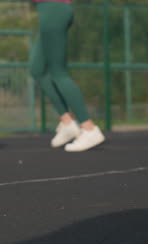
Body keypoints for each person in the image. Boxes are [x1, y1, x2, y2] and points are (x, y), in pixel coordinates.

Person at [29, 0, 105, 152]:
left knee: (58, 73)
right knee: (37, 69)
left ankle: (89, 129)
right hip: (49, 10)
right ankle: (68, 123)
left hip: (54, 10)